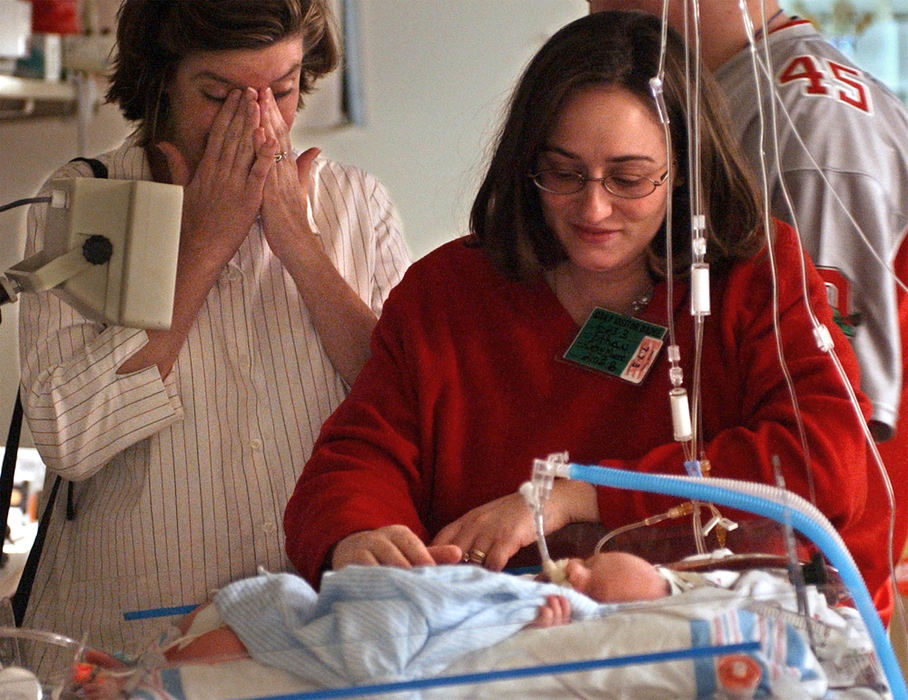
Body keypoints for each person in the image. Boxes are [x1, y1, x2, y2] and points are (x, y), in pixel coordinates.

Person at [283, 10, 882, 607]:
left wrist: (577, 495)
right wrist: (357, 533)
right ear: (527, 165)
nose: (593, 209)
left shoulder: (754, 276)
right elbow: (358, 458)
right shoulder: (446, 295)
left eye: (629, 179)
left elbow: (826, 466)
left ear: (681, 171)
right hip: (503, 651)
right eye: (564, 174)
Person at [17, 0, 410, 666]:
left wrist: (302, 249)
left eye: (281, 92)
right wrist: (200, 246)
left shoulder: (354, 202)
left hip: (308, 644)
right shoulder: (87, 201)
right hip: (124, 647)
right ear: (166, 78)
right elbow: (71, 439)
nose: (258, 123)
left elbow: (405, 411)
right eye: (220, 95)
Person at [588, 0, 908, 613]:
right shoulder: (706, 92)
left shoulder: (805, 120)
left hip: (799, 585)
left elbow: (833, 431)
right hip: (699, 556)